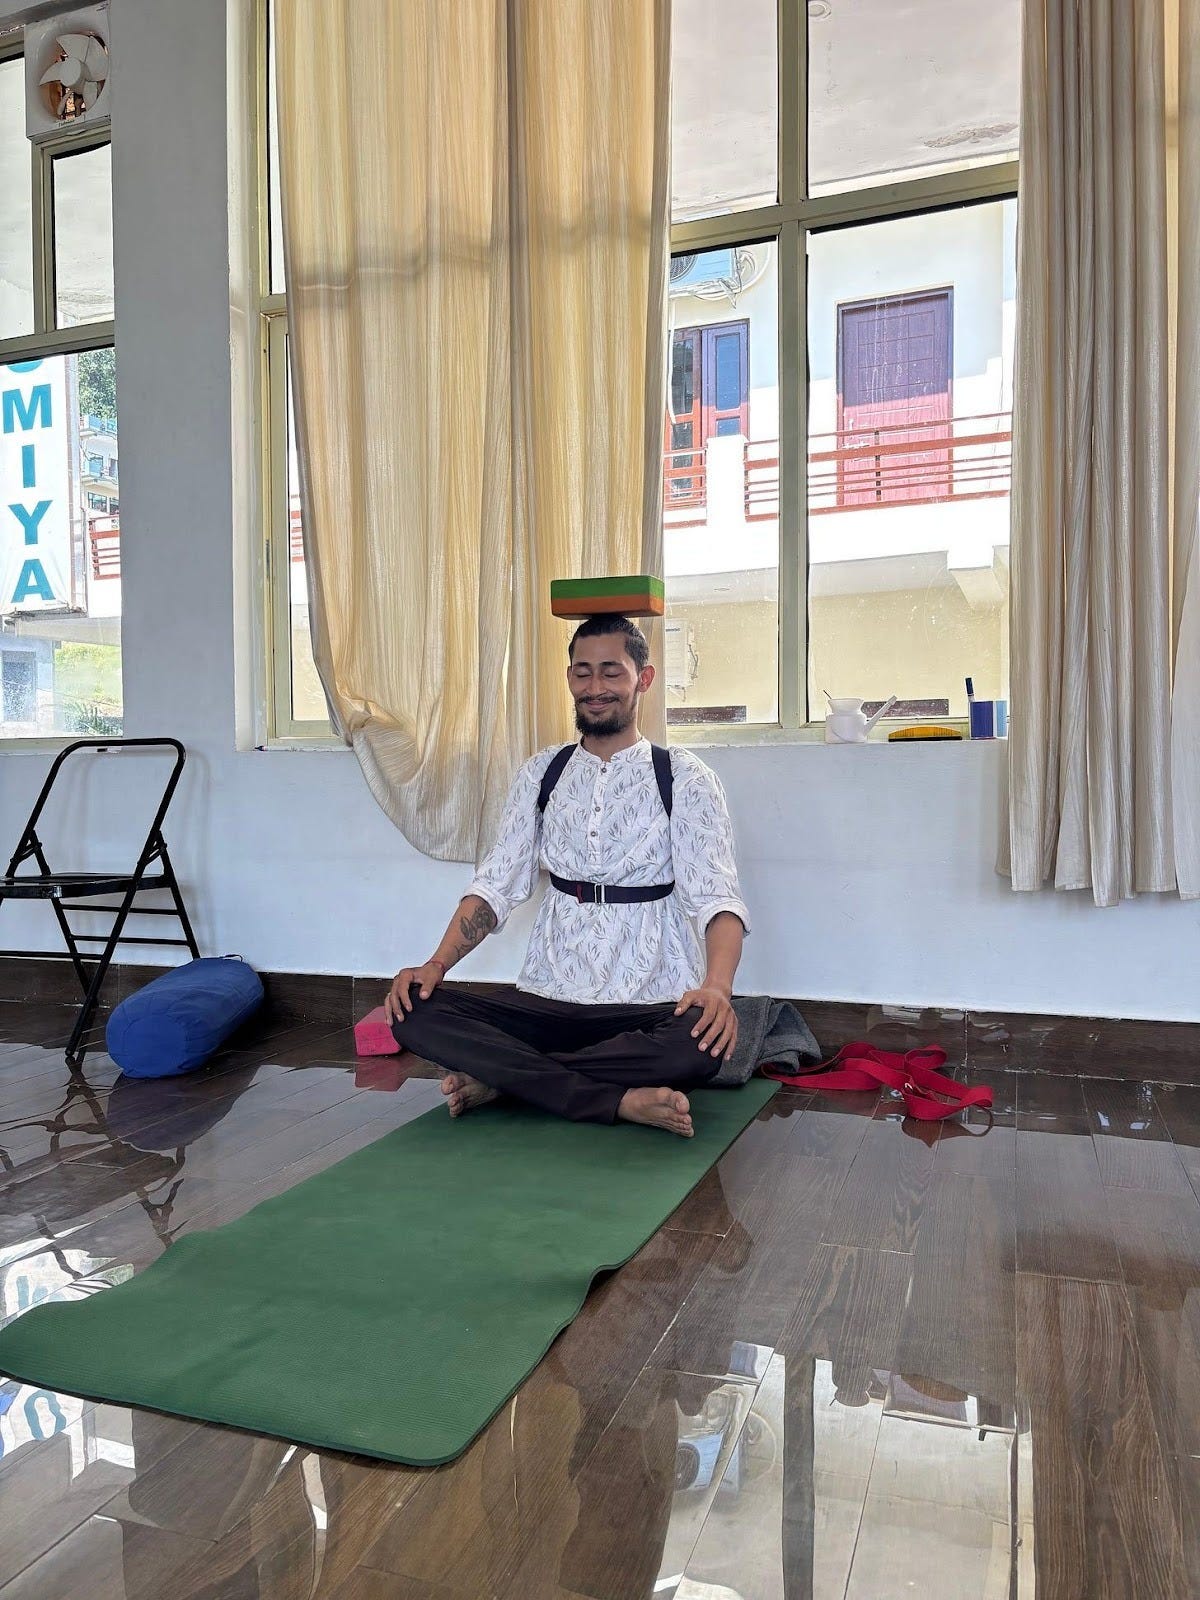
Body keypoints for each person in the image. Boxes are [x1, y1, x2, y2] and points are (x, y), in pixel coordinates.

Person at [383, 613, 750, 1137]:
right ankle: (618, 1100)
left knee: (698, 1045)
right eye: (582, 673)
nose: (595, 688)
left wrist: (716, 987)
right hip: (547, 997)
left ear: (643, 679)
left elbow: (718, 899)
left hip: (648, 1004)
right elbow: (496, 885)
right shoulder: (541, 773)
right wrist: (436, 964)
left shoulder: (684, 777)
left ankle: (510, 1081)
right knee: (410, 1011)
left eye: (610, 672)